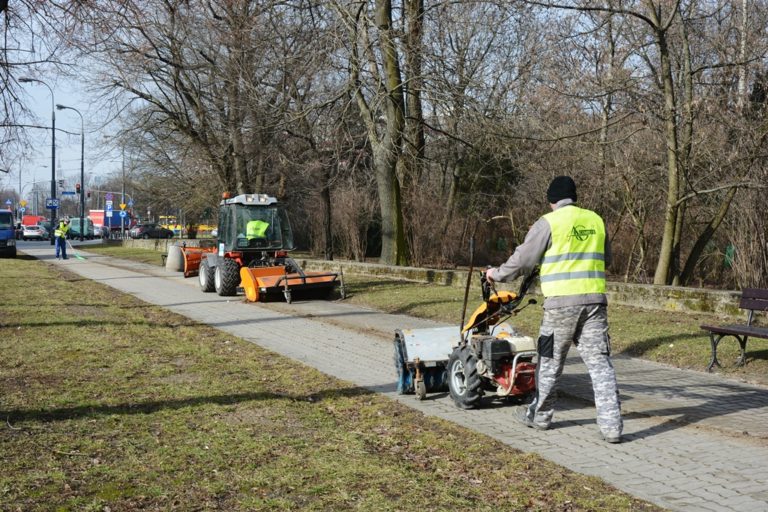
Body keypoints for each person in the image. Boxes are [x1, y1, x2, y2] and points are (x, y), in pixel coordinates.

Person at [485, 176, 623, 443]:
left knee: (549, 363)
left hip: (560, 306)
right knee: (601, 365)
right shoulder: (596, 220)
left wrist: (496, 274)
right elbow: (606, 259)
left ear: (552, 200)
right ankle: (612, 427)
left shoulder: (547, 223)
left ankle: (540, 417)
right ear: (574, 197)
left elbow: (523, 261)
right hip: (595, 304)